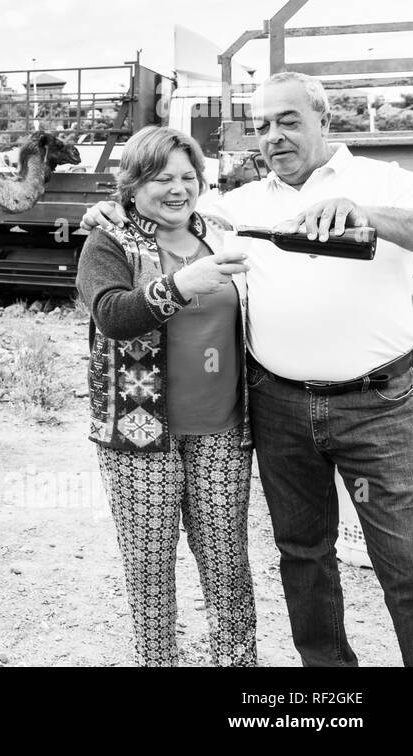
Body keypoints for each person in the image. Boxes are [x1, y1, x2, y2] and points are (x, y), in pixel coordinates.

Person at [82, 72, 413, 666]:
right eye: (261, 126)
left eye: (288, 121)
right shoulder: (236, 208)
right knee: (303, 554)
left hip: (378, 406)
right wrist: (108, 210)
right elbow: (159, 208)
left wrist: (365, 212)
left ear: (323, 120)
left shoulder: (383, 180)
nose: (273, 137)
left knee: (405, 560)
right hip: (278, 408)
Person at [76, 126, 255, 666]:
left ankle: (239, 663)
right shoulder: (108, 241)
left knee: (227, 559)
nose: (178, 189)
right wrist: (181, 285)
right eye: (161, 178)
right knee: (150, 568)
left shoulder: (222, 233)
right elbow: (111, 315)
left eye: (187, 177)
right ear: (131, 186)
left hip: (222, 428)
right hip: (139, 433)